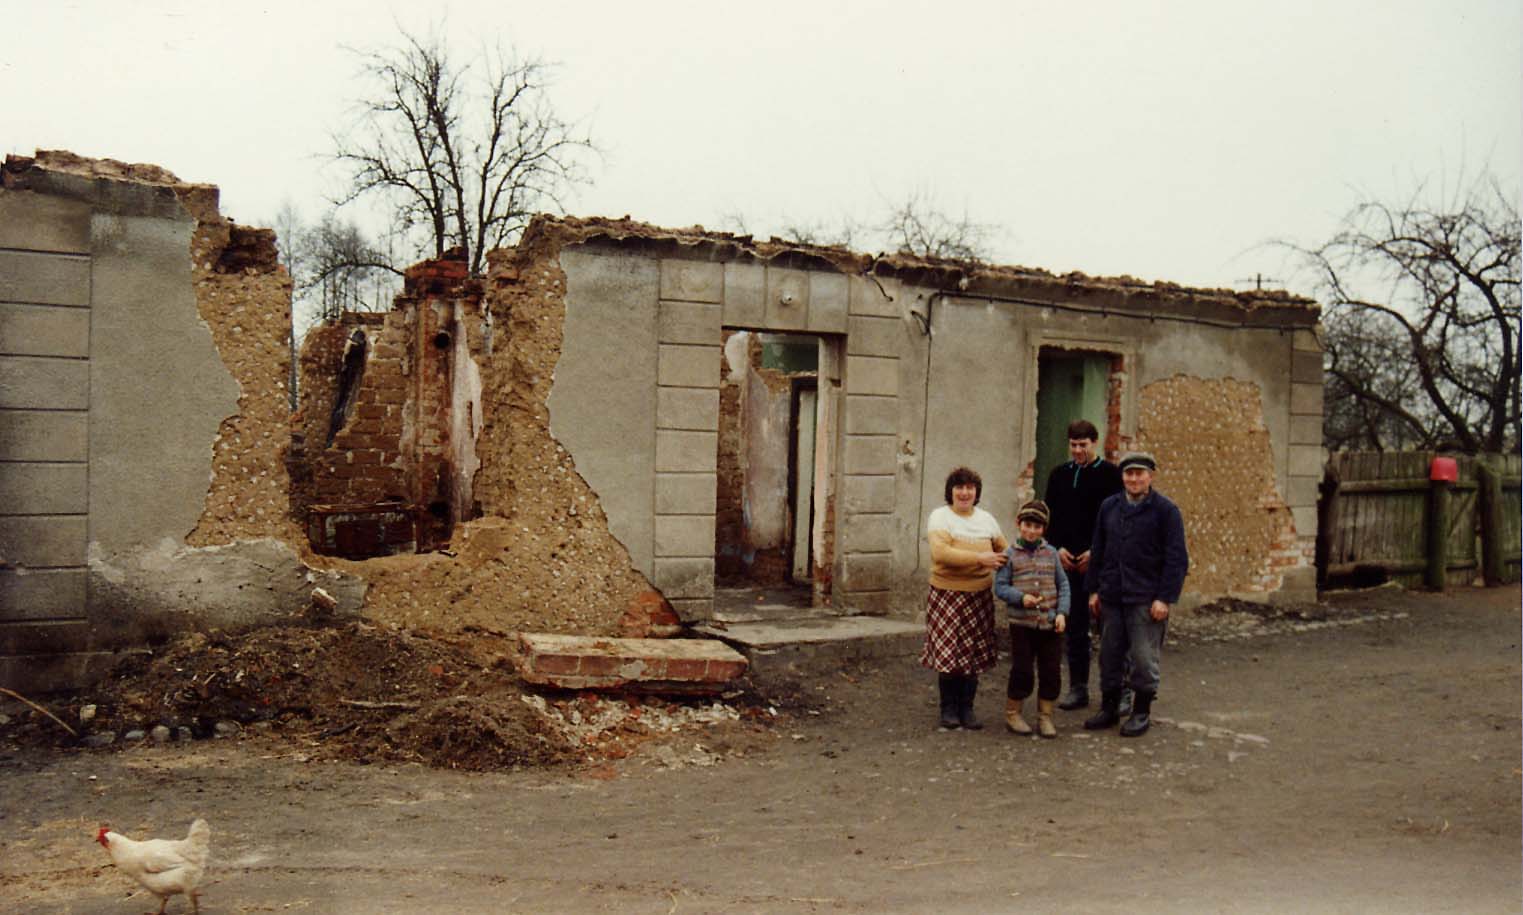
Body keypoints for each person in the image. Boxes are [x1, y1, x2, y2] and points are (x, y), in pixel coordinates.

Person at [1083, 452, 1189, 737]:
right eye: (1129, 474)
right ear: (1122, 477)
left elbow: (1177, 559)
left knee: (1143, 658)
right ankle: (1109, 707)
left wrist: (1164, 598)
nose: (1133, 479)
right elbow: (1099, 550)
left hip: (1146, 598)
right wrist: (1094, 590)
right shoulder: (1109, 507)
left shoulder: (1166, 511)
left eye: (1140, 473)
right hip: (1112, 595)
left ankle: (1141, 711)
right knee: (1109, 654)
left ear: (1150, 476)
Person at [1042, 419, 1122, 711]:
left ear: (1094, 443)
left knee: (1110, 630)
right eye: (1073, 445)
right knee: (1074, 628)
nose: (1077, 450)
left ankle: (1117, 691)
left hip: (1100, 565)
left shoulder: (1111, 476)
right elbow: (1049, 519)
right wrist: (1057, 548)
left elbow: (1115, 522)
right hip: (1067, 565)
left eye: (1083, 445)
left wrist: (1095, 553)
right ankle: (1078, 688)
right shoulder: (1059, 475)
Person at [922, 466, 1008, 730]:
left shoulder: (987, 520)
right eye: (959, 487)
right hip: (946, 594)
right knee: (949, 653)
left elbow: (1004, 551)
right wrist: (980, 558)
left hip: (979, 597)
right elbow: (941, 554)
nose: (964, 493)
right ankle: (948, 709)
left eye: (970, 488)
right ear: (951, 491)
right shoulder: (940, 517)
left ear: (976, 492)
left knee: (971, 654)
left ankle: (967, 709)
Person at [993, 500, 1070, 738]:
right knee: (1023, 670)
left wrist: (1061, 613)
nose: (1031, 531)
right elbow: (1000, 587)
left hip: (1049, 624)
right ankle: (1013, 713)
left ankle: (1045, 716)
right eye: (1027, 525)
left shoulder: (1052, 554)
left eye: (1037, 527)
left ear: (1043, 529)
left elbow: (1064, 585)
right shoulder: (1010, 555)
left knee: (1050, 671)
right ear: (1019, 524)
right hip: (1022, 626)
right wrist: (1020, 597)